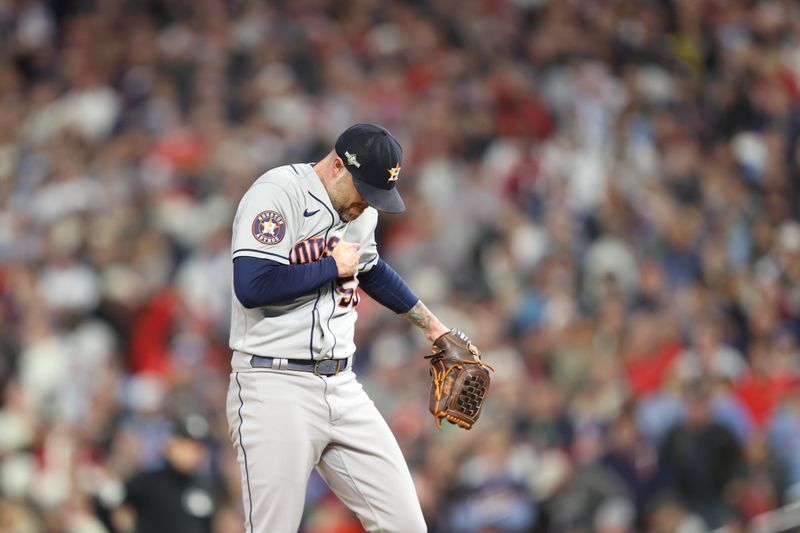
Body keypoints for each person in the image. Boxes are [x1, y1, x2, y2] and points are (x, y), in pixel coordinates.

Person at [225, 123, 470, 532]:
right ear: (338, 166)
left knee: (407, 526)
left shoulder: (362, 210)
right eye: (365, 191)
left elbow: (370, 269)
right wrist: (330, 267)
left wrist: (433, 328)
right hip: (273, 384)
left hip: (342, 385)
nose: (368, 205)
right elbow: (252, 286)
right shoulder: (277, 192)